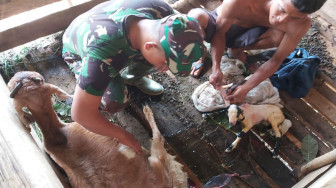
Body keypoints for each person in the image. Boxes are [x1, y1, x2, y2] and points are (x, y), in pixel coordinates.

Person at [62, 0, 206, 154]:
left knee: (153, 60)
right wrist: (121, 134)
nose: (165, 68)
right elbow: (80, 114)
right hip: (78, 50)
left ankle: (131, 77)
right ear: (149, 46)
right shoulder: (99, 59)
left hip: (112, 31)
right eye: (166, 62)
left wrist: (169, 59)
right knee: (115, 101)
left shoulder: (163, 12)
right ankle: (106, 85)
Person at [208, 0, 326, 104]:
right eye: (282, 10)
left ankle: (236, 49)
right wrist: (215, 67)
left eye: (294, 17)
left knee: (278, 36)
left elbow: (276, 60)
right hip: (224, 27)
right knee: (198, 19)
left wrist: (246, 87)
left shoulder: (302, 23)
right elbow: (219, 33)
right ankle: (202, 56)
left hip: (247, 34)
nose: (282, 19)